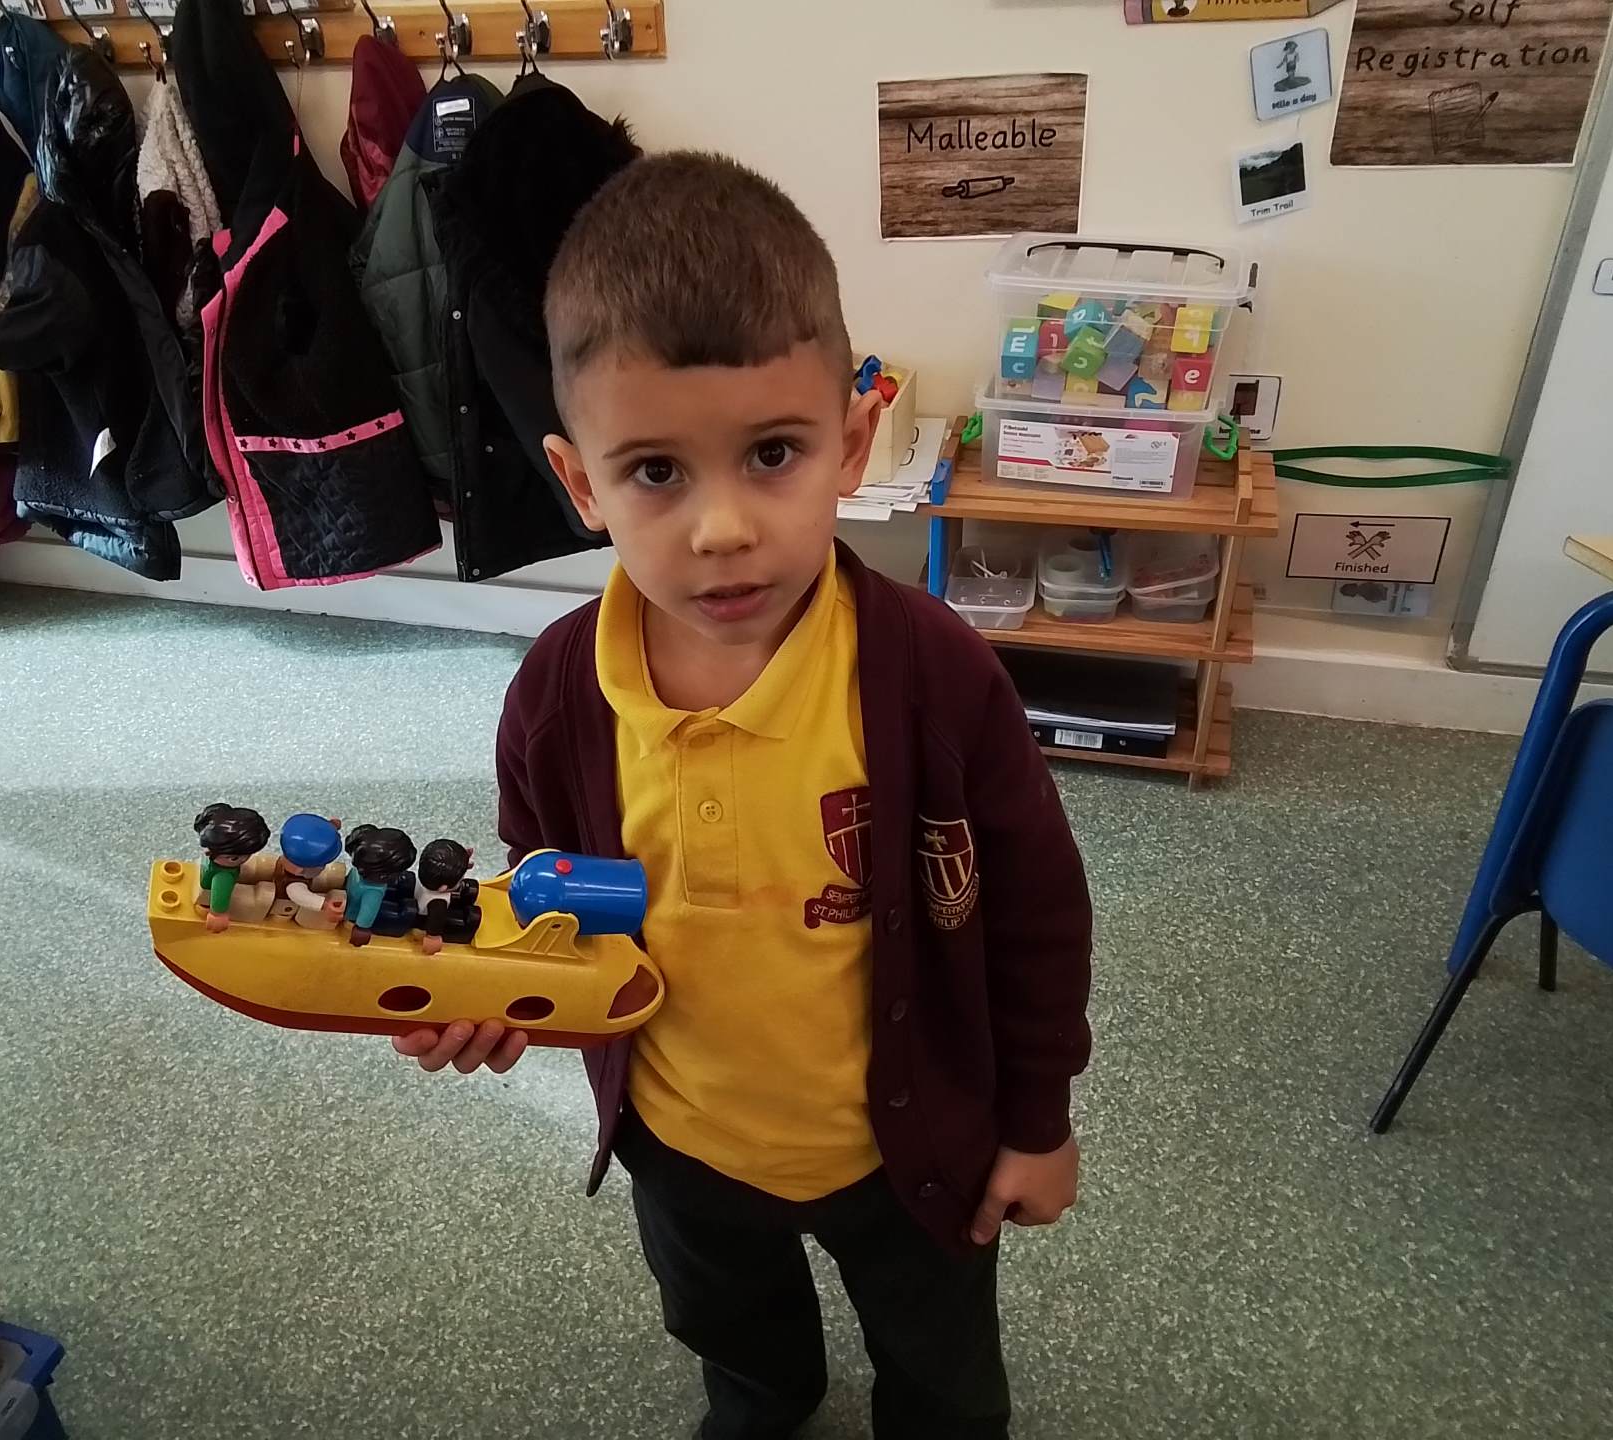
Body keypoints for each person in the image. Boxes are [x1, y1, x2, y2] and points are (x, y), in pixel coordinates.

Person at [391, 152, 1093, 1440]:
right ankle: (765, 1397)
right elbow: (547, 900)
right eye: (656, 472)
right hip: (681, 1138)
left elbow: (1039, 911)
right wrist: (498, 992)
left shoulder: (936, 676)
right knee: (735, 1338)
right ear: (580, 483)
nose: (722, 529)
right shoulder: (557, 695)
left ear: (853, 443)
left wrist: (1037, 1119)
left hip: (908, 1147)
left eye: (773, 453)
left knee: (941, 1371)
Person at [193, 803, 273, 933]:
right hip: (207, 898)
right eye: (235, 857)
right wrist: (217, 915)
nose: (245, 859)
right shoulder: (223, 876)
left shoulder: (215, 860)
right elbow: (220, 895)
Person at [341, 824, 417, 947]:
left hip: (351, 900)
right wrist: (362, 929)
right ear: (383, 875)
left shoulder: (358, 870)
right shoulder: (374, 891)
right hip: (353, 916)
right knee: (405, 912)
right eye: (396, 872)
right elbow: (368, 912)